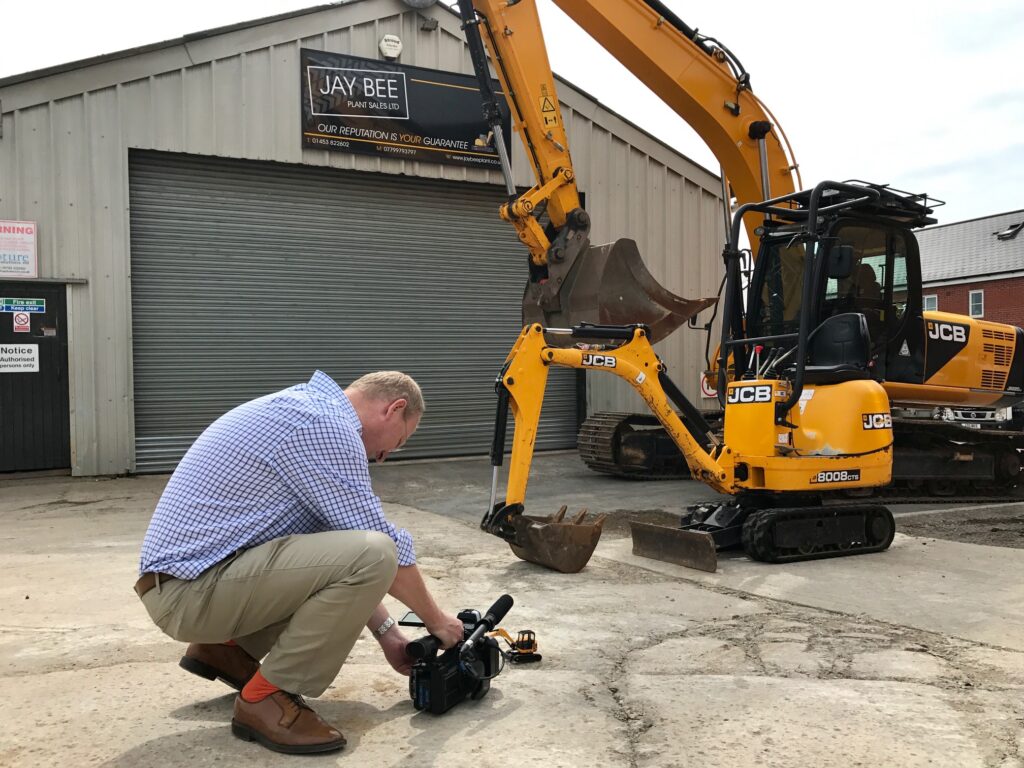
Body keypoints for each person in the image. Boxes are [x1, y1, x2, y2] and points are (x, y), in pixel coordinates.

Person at [135, 370, 464, 755]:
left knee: (356, 550)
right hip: (189, 594)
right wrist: (437, 622)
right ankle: (265, 698)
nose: (383, 455)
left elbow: (335, 560)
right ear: (395, 408)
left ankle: (225, 649)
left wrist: (390, 636)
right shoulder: (323, 425)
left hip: (186, 584)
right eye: (398, 441)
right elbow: (377, 552)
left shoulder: (303, 409)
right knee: (377, 550)